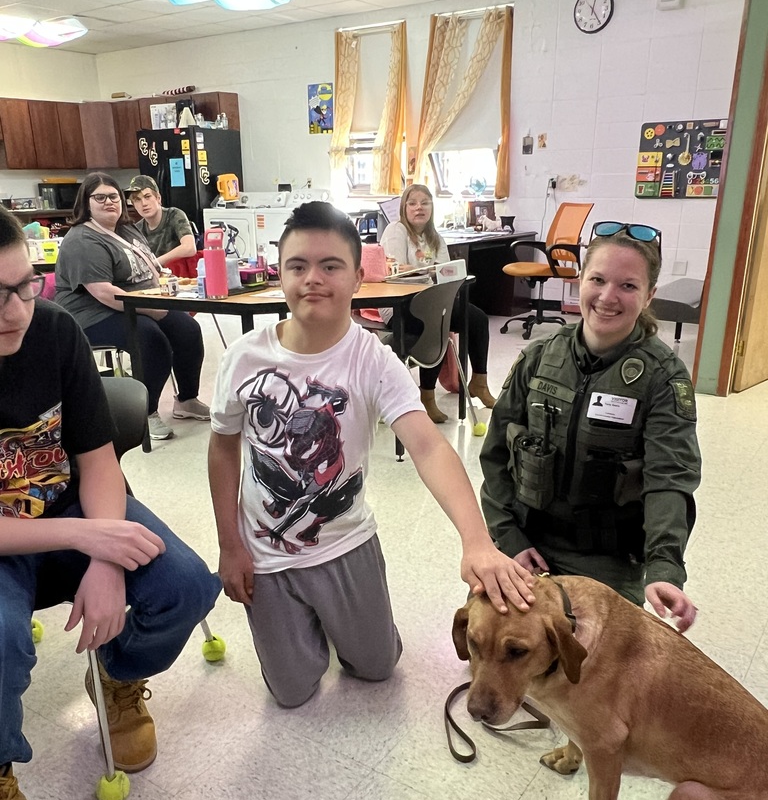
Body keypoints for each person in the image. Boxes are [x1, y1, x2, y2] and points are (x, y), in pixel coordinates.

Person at [208, 201, 535, 709]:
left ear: (359, 277)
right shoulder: (244, 357)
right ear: (278, 274)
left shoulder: (372, 357)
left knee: (378, 668)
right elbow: (223, 449)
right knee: (293, 693)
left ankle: (349, 623)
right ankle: (303, 625)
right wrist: (231, 545)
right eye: (298, 266)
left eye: (330, 266)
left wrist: (477, 541)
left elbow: (427, 445)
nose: (312, 279)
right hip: (267, 555)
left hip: (346, 542)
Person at [0, 206, 221, 800]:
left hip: (75, 511)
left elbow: (97, 457)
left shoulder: (53, 330)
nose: (16, 312)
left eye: (24, 287)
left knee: (186, 585)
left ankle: (120, 680)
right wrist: (93, 543)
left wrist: (103, 556)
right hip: (17, 541)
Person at [480, 224, 702, 632]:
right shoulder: (540, 357)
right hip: (528, 542)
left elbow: (669, 480)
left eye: (628, 286)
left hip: (608, 558)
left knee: (593, 666)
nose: (607, 297)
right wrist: (509, 538)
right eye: (597, 279)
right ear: (580, 280)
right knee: (497, 646)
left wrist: (664, 568)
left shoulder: (662, 379)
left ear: (649, 295)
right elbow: (495, 454)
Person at [54, 172, 209, 441]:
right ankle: (144, 414)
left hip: (141, 302)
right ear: (86, 202)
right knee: (151, 340)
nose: (108, 202)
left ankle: (186, 400)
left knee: (188, 330)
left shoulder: (127, 228)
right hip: (93, 314)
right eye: (99, 197)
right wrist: (150, 309)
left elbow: (147, 267)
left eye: (113, 196)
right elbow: (103, 293)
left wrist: (164, 287)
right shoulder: (83, 240)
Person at [379, 184, 497, 424]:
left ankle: (479, 382)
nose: (419, 208)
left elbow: (448, 274)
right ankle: (427, 397)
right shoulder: (396, 230)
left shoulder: (435, 237)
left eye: (425, 202)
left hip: (432, 301)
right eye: (412, 203)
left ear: (432, 207)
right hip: (400, 305)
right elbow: (394, 272)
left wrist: (422, 271)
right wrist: (427, 272)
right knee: (438, 322)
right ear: (404, 208)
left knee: (476, 318)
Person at [127, 175, 197, 269]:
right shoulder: (137, 230)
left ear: (158, 198)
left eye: (147, 197)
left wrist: (155, 263)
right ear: (134, 205)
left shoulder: (174, 215)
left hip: (180, 277)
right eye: (137, 200)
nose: (144, 203)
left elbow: (190, 248)